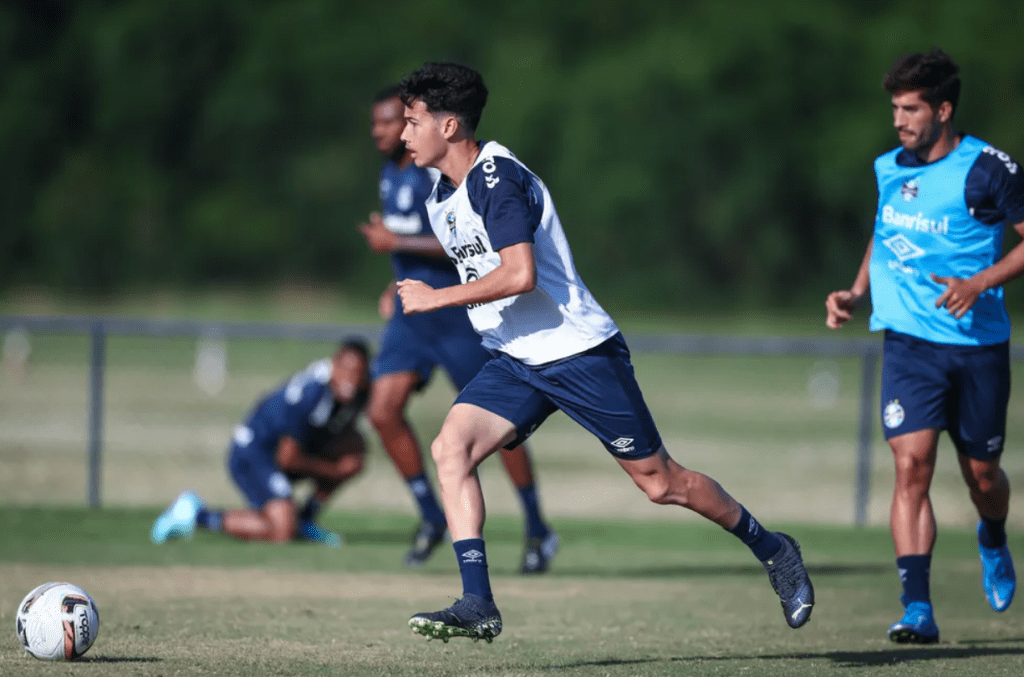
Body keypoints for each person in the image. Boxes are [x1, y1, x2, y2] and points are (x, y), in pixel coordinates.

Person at [392, 62, 814, 643]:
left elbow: (520, 274)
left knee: (661, 484)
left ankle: (774, 549)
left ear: (450, 125)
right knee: (450, 448)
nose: (402, 134)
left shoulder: (496, 179)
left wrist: (438, 297)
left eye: (412, 122)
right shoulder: (441, 195)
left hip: (578, 351)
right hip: (517, 360)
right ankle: (477, 602)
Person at [826, 48, 1023, 644]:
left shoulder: (989, 169)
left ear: (943, 109)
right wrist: (857, 292)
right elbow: (884, 232)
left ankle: (992, 537)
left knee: (982, 476)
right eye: (895, 108)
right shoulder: (890, 167)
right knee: (911, 465)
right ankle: (917, 607)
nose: (899, 120)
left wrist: (979, 283)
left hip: (977, 346)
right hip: (910, 343)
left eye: (911, 109)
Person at [357, 85, 559, 572]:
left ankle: (536, 527)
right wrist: (395, 281)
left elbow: (466, 242)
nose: (385, 132)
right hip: (414, 317)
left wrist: (396, 241)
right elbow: (405, 245)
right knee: (382, 410)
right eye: (382, 124)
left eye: (395, 122)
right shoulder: (391, 172)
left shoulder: (437, 168)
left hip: (458, 315)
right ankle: (430, 514)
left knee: (502, 428)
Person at [150, 338, 372, 547]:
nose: (350, 380)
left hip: (282, 453)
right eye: (346, 371)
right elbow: (288, 459)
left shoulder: (359, 391)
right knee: (282, 531)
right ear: (334, 365)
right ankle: (197, 514)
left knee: (353, 451)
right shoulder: (312, 394)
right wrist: (334, 471)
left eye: (357, 374)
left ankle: (305, 521)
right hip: (254, 454)